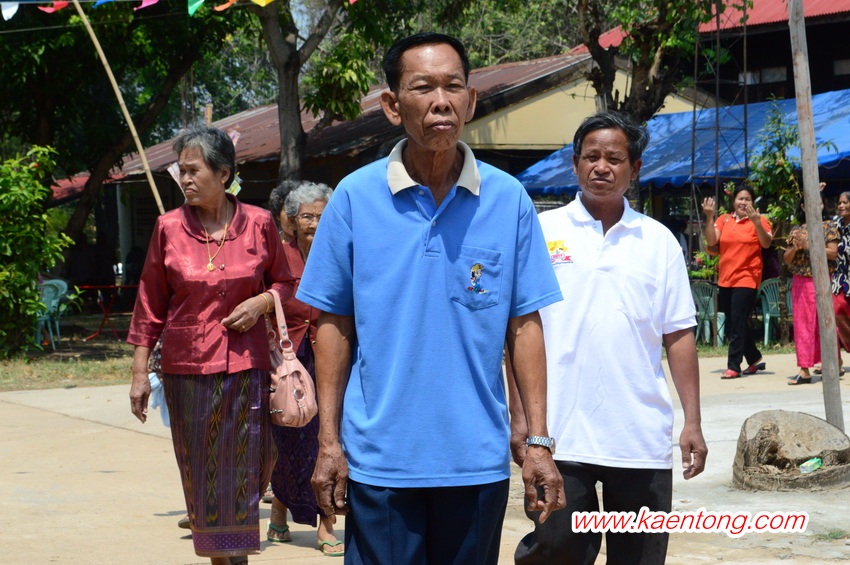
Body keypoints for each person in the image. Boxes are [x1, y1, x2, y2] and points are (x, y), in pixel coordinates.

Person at [296, 32, 565, 564]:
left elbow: (524, 325)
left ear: (471, 100)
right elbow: (334, 325)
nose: (442, 101)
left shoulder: (508, 199)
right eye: (423, 88)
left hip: (476, 460)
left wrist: (538, 440)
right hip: (380, 461)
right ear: (392, 105)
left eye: (453, 86)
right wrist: (328, 443)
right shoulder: (353, 197)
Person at [512, 111, 708, 565]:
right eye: (591, 157)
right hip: (558, 437)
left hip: (638, 437)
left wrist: (693, 421)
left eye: (615, 159)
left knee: (639, 557)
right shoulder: (541, 233)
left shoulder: (658, 241)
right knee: (555, 551)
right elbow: (518, 330)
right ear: (575, 163)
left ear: (634, 168)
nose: (602, 167)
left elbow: (679, 334)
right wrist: (522, 420)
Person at [127, 124, 294, 565]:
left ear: (223, 173)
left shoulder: (259, 223)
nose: (184, 179)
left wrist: (261, 302)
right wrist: (139, 372)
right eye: (181, 171)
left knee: (252, 463)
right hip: (188, 371)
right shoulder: (168, 228)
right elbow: (149, 303)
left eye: (193, 170)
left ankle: (233, 551)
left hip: (248, 365)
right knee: (203, 470)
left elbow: (285, 282)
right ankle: (225, 557)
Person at [264, 181, 345, 557]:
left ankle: (326, 524)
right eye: (307, 216)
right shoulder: (278, 258)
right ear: (293, 221)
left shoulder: (341, 255)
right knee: (287, 442)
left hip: (330, 359)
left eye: (321, 215)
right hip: (290, 363)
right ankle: (279, 507)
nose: (314, 223)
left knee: (326, 441)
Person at [702, 185, 773, 379]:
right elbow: (711, 241)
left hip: (747, 278)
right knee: (735, 321)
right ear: (733, 201)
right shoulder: (724, 219)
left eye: (748, 199)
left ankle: (733, 365)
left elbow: (766, 243)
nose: (743, 202)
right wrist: (709, 217)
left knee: (737, 322)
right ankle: (754, 358)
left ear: (753, 202)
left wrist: (756, 222)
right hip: (726, 278)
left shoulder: (761, 220)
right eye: (740, 198)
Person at [784, 194, 839, 385]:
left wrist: (808, 246)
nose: (815, 205)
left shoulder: (829, 227)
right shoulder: (797, 230)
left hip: (823, 279)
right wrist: (796, 248)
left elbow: (832, 253)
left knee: (825, 322)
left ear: (823, 205)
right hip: (801, 281)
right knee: (802, 325)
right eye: (810, 203)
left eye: (819, 202)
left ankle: (831, 363)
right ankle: (804, 369)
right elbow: (787, 259)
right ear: (803, 207)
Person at [830, 191, 850, 374]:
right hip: (839, 277)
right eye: (840, 203)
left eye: (845, 202)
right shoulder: (835, 223)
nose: (842, 206)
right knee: (836, 311)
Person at [268, 179, 299, 244]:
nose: (293, 217)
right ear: (278, 215)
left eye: (297, 211)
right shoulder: (270, 243)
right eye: (289, 210)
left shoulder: (313, 244)